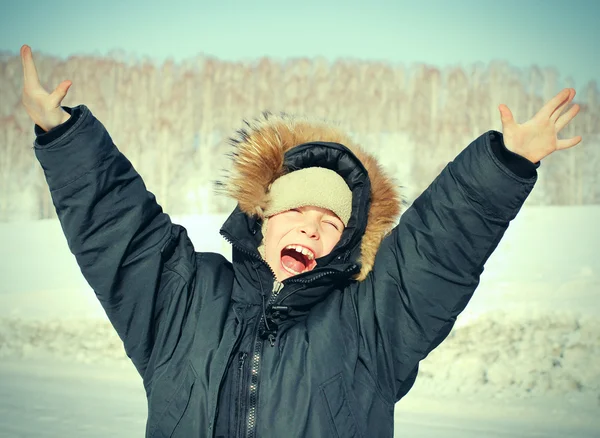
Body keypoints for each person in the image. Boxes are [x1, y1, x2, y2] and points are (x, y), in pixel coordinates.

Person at [20, 44, 582, 438]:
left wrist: (505, 163)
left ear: (343, 244)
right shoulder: (185, 300)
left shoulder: (371, 325)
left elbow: (438, 249)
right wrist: (66, 137)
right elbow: (122, 233)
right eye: (297, 210)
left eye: (331, 222)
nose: (312, 227)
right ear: (262, 217)